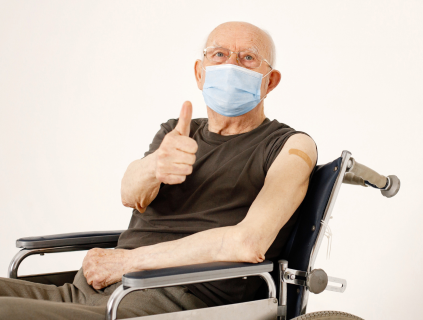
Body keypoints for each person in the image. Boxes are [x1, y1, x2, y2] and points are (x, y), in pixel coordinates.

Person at [0, 21, 317, 319]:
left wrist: (126, 262)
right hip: (93, 290)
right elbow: (129, 194)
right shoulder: (176, 133)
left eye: (248, 58)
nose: (231, 65)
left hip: (168, 300)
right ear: (200, 72)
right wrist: (155, 166)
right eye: (218, 54)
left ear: (270, 81)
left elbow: (247, 243)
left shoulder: (292, 147)